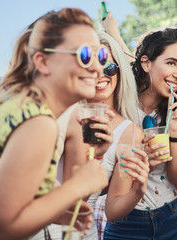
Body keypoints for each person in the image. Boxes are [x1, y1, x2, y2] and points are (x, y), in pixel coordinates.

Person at [0, 8, 110, 239]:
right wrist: (79, 184)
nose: (98, 67)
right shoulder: (40, 125)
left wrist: (56, 210)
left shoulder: (15, 105)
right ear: (42, 62)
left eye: (100, 56)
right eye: (83, 55)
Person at [101, 27, 177, 239]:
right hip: (126, 222)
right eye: (171, 63)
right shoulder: (119, 104)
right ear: (146, 63)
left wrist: (175, 133)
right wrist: (138, 163)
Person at [59, 31, 149, 240]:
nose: (100, 75)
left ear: (119, 72)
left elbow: (113, 209)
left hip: (79, 232)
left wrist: (137, 192)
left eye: (109, 67)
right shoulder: (62, 113)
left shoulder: (130, 133)